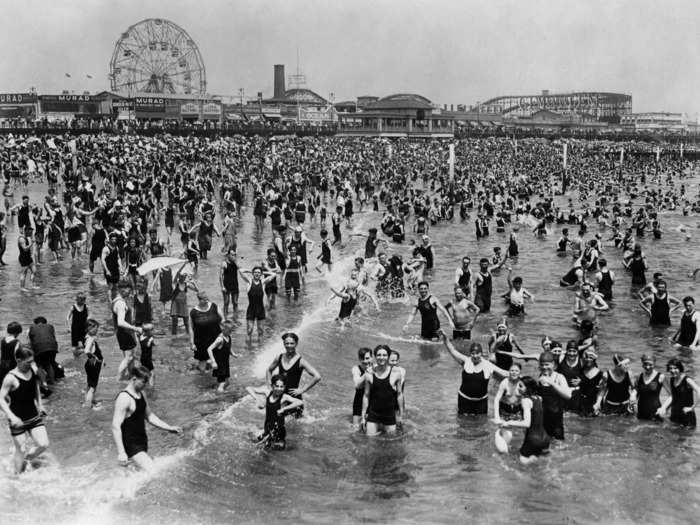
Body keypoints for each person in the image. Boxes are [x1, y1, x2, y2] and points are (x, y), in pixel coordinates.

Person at [111, 365, 182, 472]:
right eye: (144, 382)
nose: (146, 385)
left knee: (136, 475)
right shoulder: (124, 398)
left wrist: (169, 427)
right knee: (154, 472)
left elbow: (150, 416)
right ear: (134, 379)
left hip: (141, 441)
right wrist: (121, 452)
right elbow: (115, 426)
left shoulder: (141, 393)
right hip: (130, 444)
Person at [0, 345, 50, 474]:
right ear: (18, 360)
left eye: (32, 361)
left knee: (43, 444)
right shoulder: (10, 378)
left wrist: (40, 404)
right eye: (28, 362)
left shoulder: (32, 370)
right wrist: (11, 417)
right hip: (17, 419)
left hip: (33, 415)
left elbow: (35, 387)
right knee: (20, 449)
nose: (31, 364)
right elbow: (0, 399)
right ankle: (17, 477)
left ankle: (26, 460)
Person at [439, 331, 508, 415]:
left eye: (477, 353)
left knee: (481, 424)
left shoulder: (488, 365)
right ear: (470, 353)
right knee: (463, 423)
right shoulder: (466, 361)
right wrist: (445, 338)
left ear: (481, 353)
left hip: (481, 402)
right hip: (464, 400)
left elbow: (503, 373)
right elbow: (452, 350)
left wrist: (518, 375)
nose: (475, 356)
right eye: (473, 354)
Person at [495, 376, 551, 464]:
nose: (518, 388)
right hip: (545, 438)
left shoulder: (525, 401)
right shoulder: (539, 398)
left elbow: (526, 424)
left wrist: (509, 422)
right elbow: (535, 420)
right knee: (543, 465)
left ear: (528, 388)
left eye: (521, 386)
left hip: (533, 439)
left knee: (521, 465)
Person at [266, 332, 322, 417]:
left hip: (294, 398)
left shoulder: (301, 361)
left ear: (296, 344)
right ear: (284, 344)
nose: (289, 346)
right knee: (276, 419)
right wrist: (271, 386)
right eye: (286, 343)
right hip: (280, 395)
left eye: (292, 343)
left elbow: (317, 376)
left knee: (297, 423)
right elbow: (269, 370)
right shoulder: (279, 357)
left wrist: (302, 390)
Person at [246, 374, 304, 450]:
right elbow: (248, 388)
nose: (279, 389)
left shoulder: (284, 397)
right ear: (272, 386)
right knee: (250, 439)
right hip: (267, 429)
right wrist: (257, 399)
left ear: (284, 387)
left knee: (269, 452)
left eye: (281, 386)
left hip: (278, 432)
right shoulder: (267, 392)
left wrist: (284, 409)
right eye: (277, 386)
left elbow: (299, 402)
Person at [360, 345, 404, 436]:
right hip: (373, 415)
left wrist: (401, 415)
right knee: (370, 441)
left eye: (384, 355)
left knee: (390, 443)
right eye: (379, 355)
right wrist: (363, 416)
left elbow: (399, 395)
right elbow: (366, 395)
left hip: (389, 415)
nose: (381, 357)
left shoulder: (396, 373)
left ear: (388, 357)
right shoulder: (369, 373)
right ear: (375, 357)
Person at [537, 352, 572, 439]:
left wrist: (551, 383)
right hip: (543, 418)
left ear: (553, 364)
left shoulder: (559, 377)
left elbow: (568, 395)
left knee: (559, 444)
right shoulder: (540, 377)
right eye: (542, 365)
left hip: (557, 419)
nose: (544, 367)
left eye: (547, 364)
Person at [657, 358, 699, 428]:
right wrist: (665, 409)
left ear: (680, 368)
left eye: (675, 368)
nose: (673, 371)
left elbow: (699, 391)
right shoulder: (672, 379)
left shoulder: (687, 380)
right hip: (675, 415)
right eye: (670, 368)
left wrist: (692, 408)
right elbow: (674, 397)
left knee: (685, 437)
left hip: (687, 417)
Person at [112, 280, 142, 379]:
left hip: (123, 332)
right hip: (124, 332)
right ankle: (118, 378)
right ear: (122, 289)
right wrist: (135, 328)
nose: (130, 292)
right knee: (128, 358)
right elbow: (120, 322)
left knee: (130, 357)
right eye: (129, 290)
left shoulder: (117, 300)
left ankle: (130, 376)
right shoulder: (120, 303)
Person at [239, 266, 277, 340]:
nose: (257, 274)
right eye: (255, 272)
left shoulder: (263, 282)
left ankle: (260, 349)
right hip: (251, 310)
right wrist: (250, 271)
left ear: (261, 274)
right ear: (253, 273)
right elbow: (241, 270)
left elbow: (273, 274)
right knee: (249, 330)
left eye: (259, 273)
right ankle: (249, 350)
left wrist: (263, 272)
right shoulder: (249, 281)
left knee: (261, 331)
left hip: (261, 310)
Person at [189, 292, 222, 372]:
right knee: (202, 367)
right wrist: (192, 343)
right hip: (201, 341)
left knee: (217, 362)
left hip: (215, 338)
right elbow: (191, 328)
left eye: (207, 299)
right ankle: (202, 380)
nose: (207, 301)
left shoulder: (214, 307)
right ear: (199, 300)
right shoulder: (193, 312)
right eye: (204, 300)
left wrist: (223, 335)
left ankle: (214, 380)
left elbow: (223, 320)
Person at [207, 320, 240, 392]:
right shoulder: (220, 339)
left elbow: (228, 347)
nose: (230, 332)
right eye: (229, 330)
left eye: (231, 331)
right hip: (219, 365)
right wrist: (213, 362)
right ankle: (218, 398)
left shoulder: (228, 337)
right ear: (223, 328)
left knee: (227, 382)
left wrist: (233, 354)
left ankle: (214, 389)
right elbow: (209, 349)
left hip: (225, 364)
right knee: (222, 383)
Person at [80, 318, 104, 408]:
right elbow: (86, 351)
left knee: (90, 385)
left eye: (97, 328)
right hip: (93, 365)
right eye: (95, 328)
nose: (97, 330)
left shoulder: (87, 337)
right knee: (92, 387)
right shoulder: (90, 339)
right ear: (88, 328)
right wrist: (95, 357)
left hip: (90, 365)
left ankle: (88, 400)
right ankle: (88, 405)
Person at [636, 354, 665, 421]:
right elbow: (636, 392)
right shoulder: (639, 377)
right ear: (642, 364)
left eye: (650, 364)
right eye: (645, 364)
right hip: (641, 413)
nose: (648, 367)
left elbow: (672, 395)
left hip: (655, 412)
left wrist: (664, 408)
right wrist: (633, 398)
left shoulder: (661, 376)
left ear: (654, 364)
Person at [351, 348, 374, 429]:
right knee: (356, 428)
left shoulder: (376, 368)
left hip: (372, 401)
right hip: (358, 400)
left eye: (367, 358)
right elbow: (357, 385)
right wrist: (366, 373)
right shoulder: (356, 369)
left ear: (372, 357)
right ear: (359, 359)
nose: (365, 361)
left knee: (369, 427)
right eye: (362, 358)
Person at [219, 248, 239, 317]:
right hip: (226, 285)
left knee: (235, 302)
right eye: (232, 255)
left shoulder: (235, 263)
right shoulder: (224, 263)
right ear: (228, 255)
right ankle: (225, 317)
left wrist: (236, 261)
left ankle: (235, 317)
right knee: (226, 302)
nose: (234, 256)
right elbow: (220, 276)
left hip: (235, 285)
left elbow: (240, 268)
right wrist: (222, 287)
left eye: (235, 255)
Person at [18, 225, 37, 290]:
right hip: (23, 258)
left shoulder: (28, 238)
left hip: (29, 257)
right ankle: (22, 287)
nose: (31, 233)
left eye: (32, 232)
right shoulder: (21, 239)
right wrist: (32, 243)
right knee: (24, 273)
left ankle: (32, 285)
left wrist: (33, 256)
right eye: (30, 231)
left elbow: (30, 249)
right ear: (26, 231)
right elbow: (25, 249)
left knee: (34, 271)